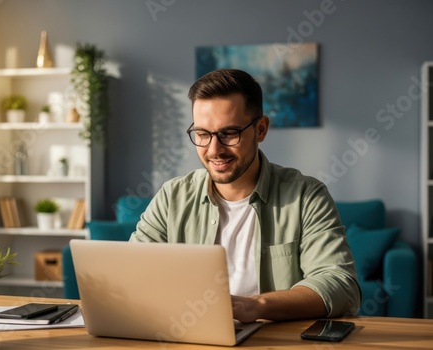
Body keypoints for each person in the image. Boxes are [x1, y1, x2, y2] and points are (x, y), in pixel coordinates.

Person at [129, 68, 361, 322]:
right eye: (203, 135)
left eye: (229, 133)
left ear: (260, 129)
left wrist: (257, 306)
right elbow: (135, 271)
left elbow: (340, 285)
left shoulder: (306, 196)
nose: (214, 150)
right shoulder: (172, 196)